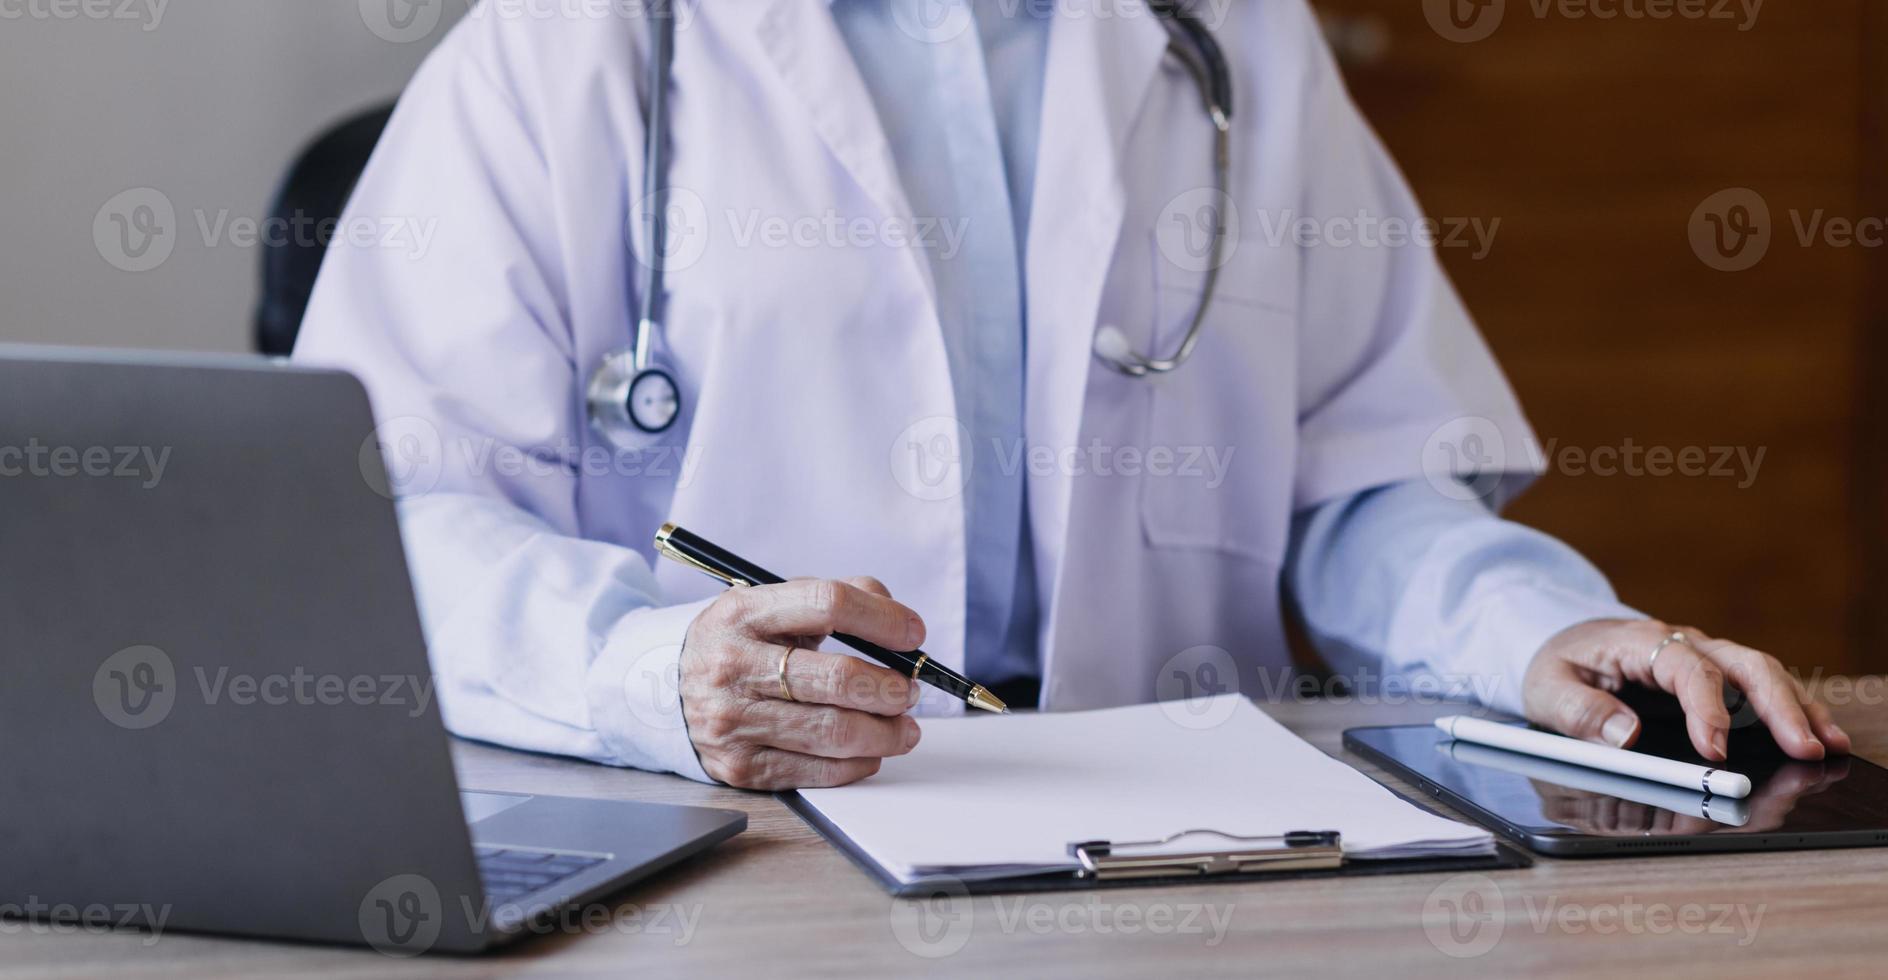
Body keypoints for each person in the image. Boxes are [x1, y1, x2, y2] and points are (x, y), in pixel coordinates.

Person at [295, 0, 1846, 790]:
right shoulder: (573, 42)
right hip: (737, 857)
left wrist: (1530, 633)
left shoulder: (1226, 34)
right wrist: (653, 678)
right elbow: (382, 518)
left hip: (1180, 850)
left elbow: (1360, 478)